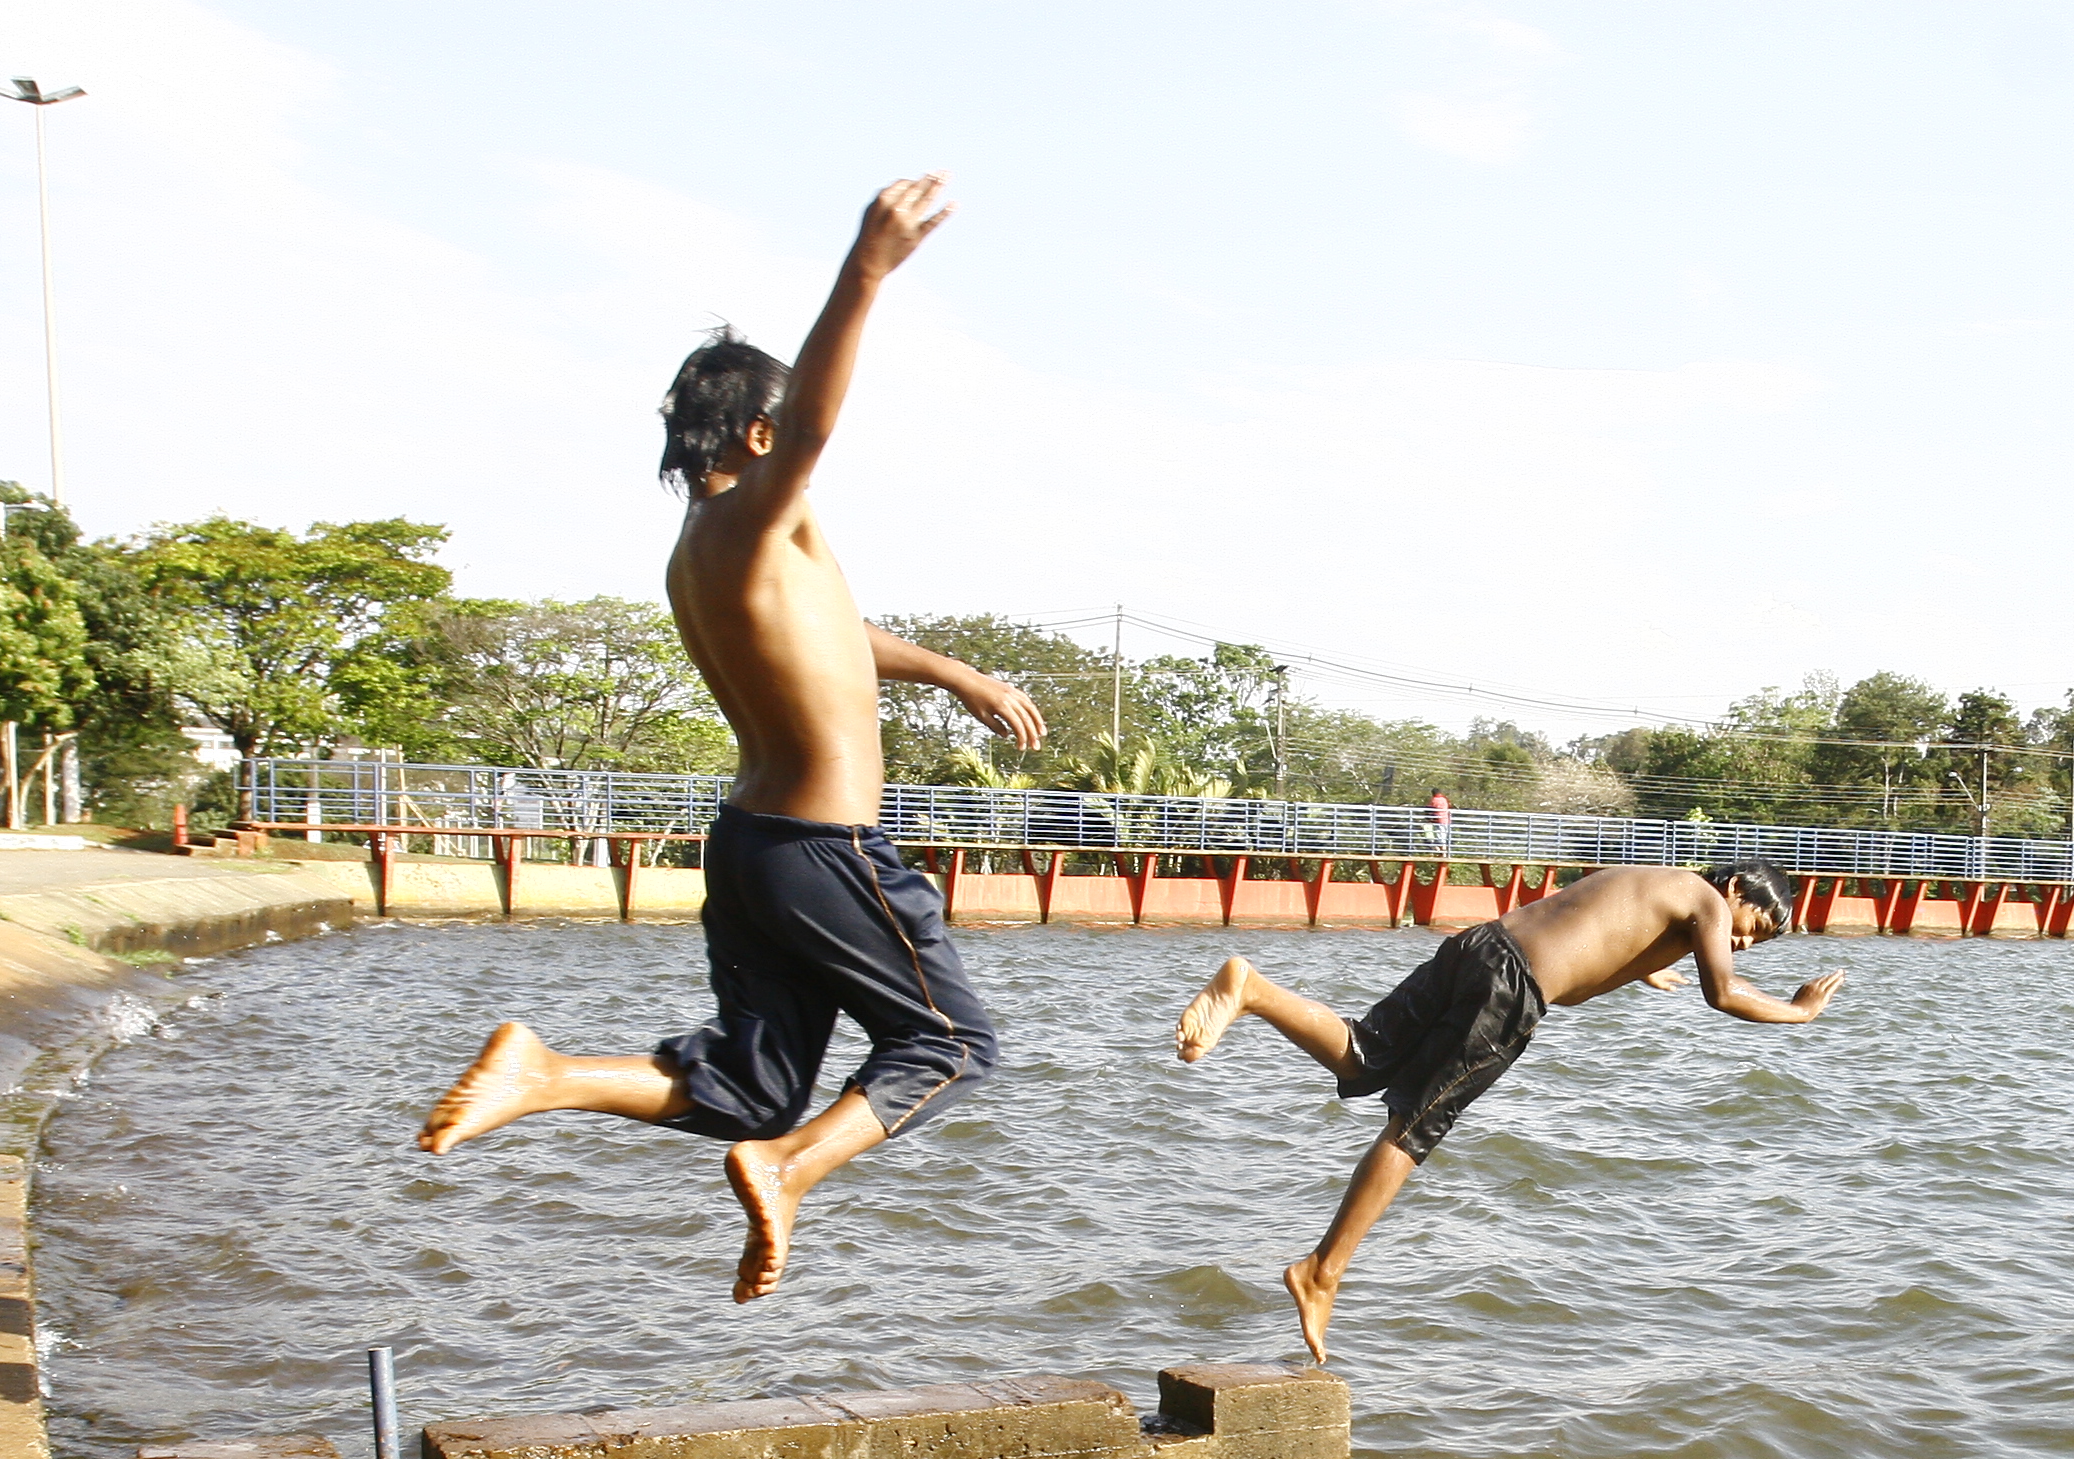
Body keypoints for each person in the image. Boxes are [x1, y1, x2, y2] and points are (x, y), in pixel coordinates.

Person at [415, 176, 1046, 1303]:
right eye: (785, 432)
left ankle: (548, 1074)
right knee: (951, 1043)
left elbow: (834, 635)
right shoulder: (761, 504)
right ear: (758, 434)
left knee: (753, 1083)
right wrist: (868, 267)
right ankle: (789, 1169)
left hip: (752, 848)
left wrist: (952, 672)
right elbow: (813, 426)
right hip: (822, 847)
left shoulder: (703, 551)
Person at [1174, 862, 1840, 1362]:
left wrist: (1642, 965)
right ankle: (1321, 1272)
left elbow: (1595, 925)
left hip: (1479, 946)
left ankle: (1253, 988)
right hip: (1510, 988)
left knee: (1363, 1055)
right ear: (1736, 893)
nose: (1743, 943)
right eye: (1753, 928)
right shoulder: (1706, 902)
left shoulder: (1658, 882)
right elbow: (1723, 991)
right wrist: (1799, 1011)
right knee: (1412, 1131)